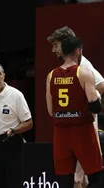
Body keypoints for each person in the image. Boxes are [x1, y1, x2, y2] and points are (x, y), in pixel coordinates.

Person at [47, 26, 104, 188]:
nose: (53, 50)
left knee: (75, 180)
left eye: (56, 45)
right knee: (85, 179)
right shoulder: (82, 71)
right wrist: (84, 99)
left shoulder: (80, 67)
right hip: (80, 129)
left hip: (67, 130)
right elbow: (95, 105)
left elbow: (51, 111)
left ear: (66, 45)